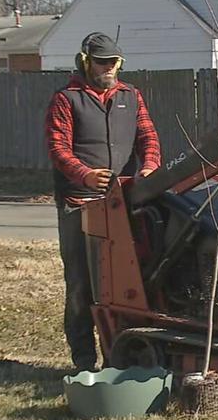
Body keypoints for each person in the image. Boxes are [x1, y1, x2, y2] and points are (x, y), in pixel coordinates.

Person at [45, 32, 161, 371]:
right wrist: (84, 175)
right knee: (81, 286)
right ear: (85, 62)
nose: (109, 68)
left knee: (123, 287)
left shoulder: (131, 96)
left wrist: (151, 165)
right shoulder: (66, 99)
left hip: (123, 204)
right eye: (102, 62)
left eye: (114, 62)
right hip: (79, 204)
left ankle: (118, 359)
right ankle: (84, 363)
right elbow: (58, 149)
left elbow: (148, 137)